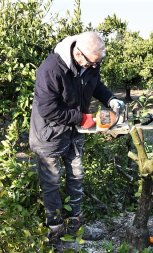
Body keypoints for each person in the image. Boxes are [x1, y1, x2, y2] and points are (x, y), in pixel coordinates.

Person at [29, 31, 125, 240]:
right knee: (52, 181)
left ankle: (75, 224)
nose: (94, 67)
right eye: (91, 64)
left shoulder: (91, 64)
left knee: (77, 175)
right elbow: (47, 109)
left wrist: (110, 99)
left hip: (74, 131)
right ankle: (55, 228)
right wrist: (81, 118)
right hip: (49, 133)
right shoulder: (51, 69)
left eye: (96, 64)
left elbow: (95, 84)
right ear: (79, 54)